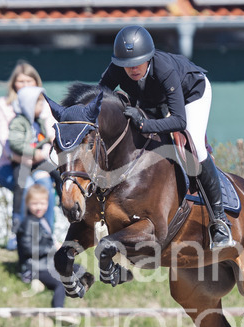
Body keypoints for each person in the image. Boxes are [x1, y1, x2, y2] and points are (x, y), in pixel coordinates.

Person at [99, 25, 232, 250]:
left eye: (138, 62)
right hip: (154, 97)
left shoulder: (164, 69)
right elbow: (99, 99)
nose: (132, 69)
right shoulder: (117, 69)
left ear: (148, 58)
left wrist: (144, 124)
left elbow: (179, 120)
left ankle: (220, 222)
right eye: (127, 64)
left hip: (192, 94)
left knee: (195, 146)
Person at [0, 61, 57, 249]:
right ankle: (19, 234)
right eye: (21, 81)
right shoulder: (4, 106)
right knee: (27, 186)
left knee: (45, 186)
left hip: (39, 161)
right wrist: (26, 155)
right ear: (13, 83)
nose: (26, 85)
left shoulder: (43, 104)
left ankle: (47, 235)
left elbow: (50, 135)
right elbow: (6, 140)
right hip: (13, 163)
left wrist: (40, 154)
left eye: (30, 81)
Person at [16, 184, 79, 313]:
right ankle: (58, 311)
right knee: (61, 282)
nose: (39, 207)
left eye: (42, 203)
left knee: (76, 268)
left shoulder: (41, 220)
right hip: (35, 266)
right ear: (27, 204)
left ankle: (41, 284)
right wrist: (52, 247)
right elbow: (29, 249)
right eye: (35, 204)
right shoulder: (28, 223)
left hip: (46, 263)